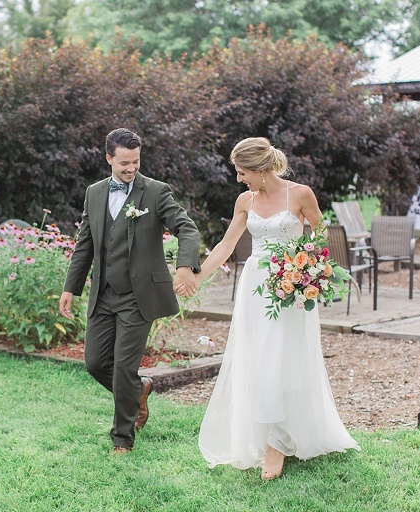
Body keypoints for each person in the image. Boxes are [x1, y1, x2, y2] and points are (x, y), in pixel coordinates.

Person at [186, 137, 360, 478]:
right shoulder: (245, 200)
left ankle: (277, 444)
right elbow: (226, 245)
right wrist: (197, 278)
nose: (239, 178)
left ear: (261, 170)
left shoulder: (300, 194)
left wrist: (307, 269)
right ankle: (267, 434)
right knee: (257, 360)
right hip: (255, 287)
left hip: (290, 289)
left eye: (242, 172)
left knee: (280, 360)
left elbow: (322, 234)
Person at [59, 128, 201, 454]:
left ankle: (122, 440)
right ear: (108, 158)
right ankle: (139, 390)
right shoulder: (94, 193)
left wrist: (185, 267)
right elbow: (85, 245)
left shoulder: (155, 192)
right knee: (95, 363)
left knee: (123, 367)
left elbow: (186, 228)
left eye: (136, 161)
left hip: (139, 296)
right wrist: (71, 288)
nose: (131, 168)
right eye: (124, 162)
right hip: (103, 294)